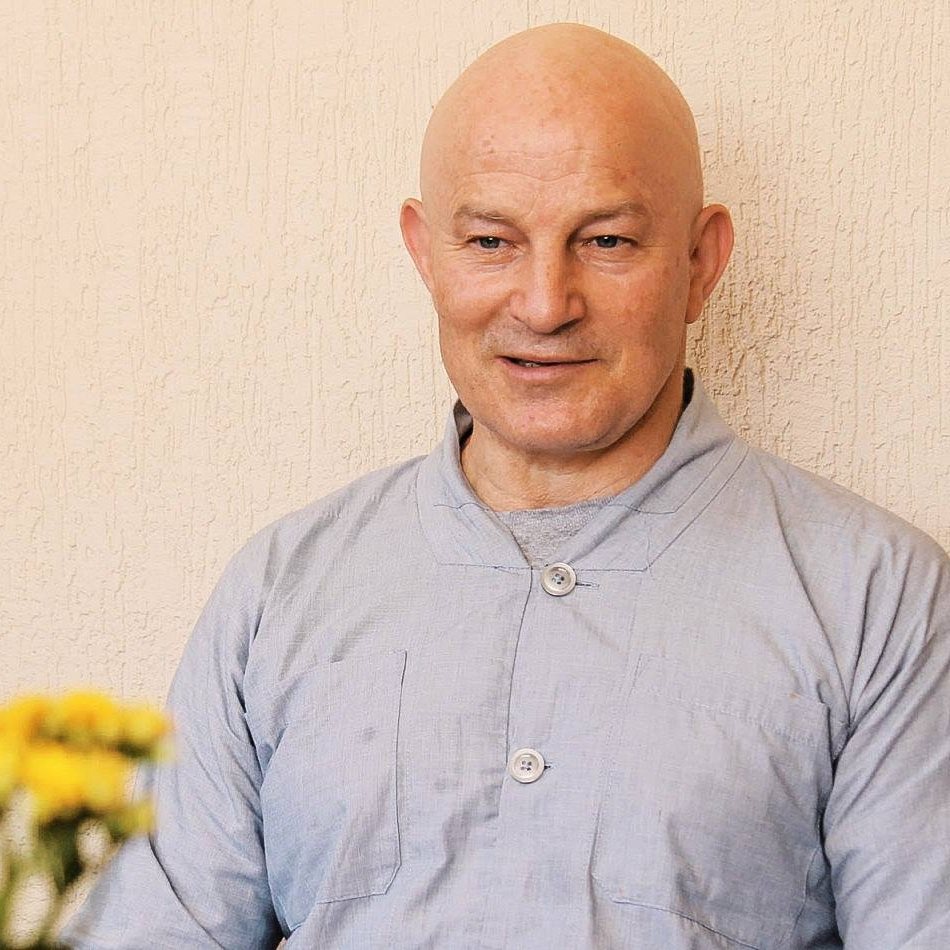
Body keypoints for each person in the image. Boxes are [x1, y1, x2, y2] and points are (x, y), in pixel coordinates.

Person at [65, 23, 949, 950]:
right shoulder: (279, 590)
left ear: (700, 263)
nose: (544, 303)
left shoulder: (879, 600)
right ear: (425, 254)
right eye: (491, 241)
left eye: (606, 240)